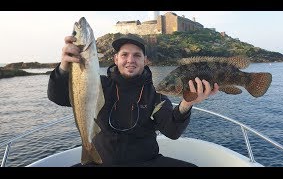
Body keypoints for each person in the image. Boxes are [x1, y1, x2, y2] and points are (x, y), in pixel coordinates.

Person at [47, 33, 219, 167]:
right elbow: (58, 97)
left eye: (137, 55)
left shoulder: (155, 94)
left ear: (146, 60)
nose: (130, 60)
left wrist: (186, 104)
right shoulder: (98, 85)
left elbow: (172, 132)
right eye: (124, 55)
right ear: (116, 59)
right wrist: (63, 68)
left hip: (146, 162)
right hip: (100, 161)